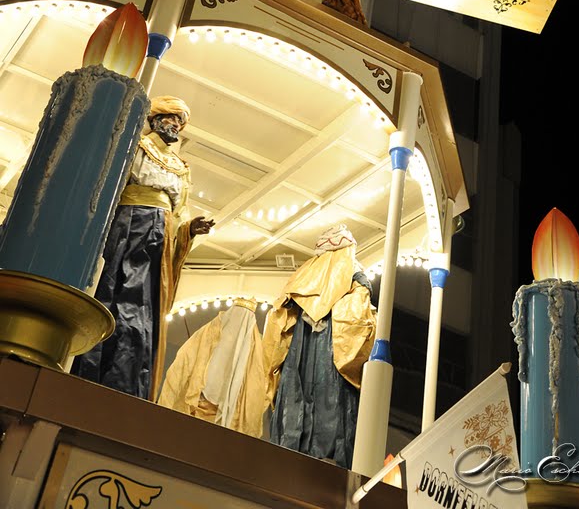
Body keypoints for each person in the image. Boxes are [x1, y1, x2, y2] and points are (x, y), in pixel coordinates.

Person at [71, 95, 214, 401]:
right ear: (154, 119)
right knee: (113, 291)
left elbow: (180, 213)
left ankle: (128, 382)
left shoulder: (181, 168)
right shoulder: (135, 147)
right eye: (170, 117)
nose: (175, 124)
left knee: (143, 307)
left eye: (180, 121)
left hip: (159, 236)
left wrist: (190, 229)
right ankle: (91, 368)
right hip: (127, 225)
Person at [261, 223, 376, 468]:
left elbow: (278, 323)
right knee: (329, 405)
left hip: (307, 352)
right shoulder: (353, 278)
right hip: (326, 353)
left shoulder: (307, 275)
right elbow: (357, 326)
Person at [157, 297, 266, 437]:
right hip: (193, 411)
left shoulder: (253, 351)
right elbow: (183, 364)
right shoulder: (210, 333)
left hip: (227, 425)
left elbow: (255, 393)